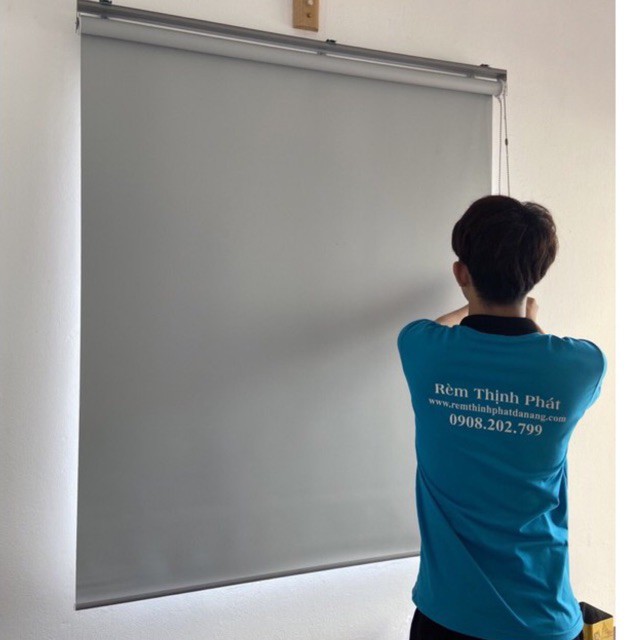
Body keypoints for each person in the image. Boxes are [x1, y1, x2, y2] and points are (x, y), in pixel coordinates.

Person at [397, 195, 607, 640]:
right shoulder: (582, 365)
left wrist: (471, 309)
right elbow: (548, 363)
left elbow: (440, 325)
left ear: (461, 273)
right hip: (542, 619)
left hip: (446, 618)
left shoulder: (420, 348)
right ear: (537, 275)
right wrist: (530, 323)